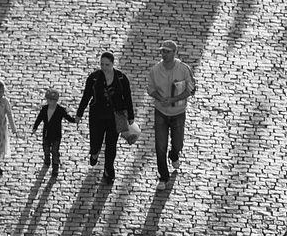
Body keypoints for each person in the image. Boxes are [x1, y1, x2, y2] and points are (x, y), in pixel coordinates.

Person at [75, 51, 135, 184]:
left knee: (111, 144)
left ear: (113, 64)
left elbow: (127, 97)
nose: (104, 67)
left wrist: (131, 116)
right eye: (102, 64)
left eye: (107, 64)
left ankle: (109, 170)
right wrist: (79, 114)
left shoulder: (121, 78)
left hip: (115, 116)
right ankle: (95, 153)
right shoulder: (94, 78)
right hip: (97, 115)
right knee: (96, 140)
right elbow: (86, 97)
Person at [147, 40, 196, 190]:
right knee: (160, 146)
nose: (164, 54)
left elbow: (191, 89)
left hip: (178, 113)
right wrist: (161, 98)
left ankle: (174, 155)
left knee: (178, 143)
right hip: (161, 112)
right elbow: (150, 89)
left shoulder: (183, 69)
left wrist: (174, 99)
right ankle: (163, 177)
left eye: (167, 51)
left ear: (175, 53)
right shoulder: (155, 70)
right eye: (163, 51)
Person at [31, 87, 76, 177]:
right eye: (48, 100)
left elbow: (67, 117)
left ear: (56, 101)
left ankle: (55, 168)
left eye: (52, 100)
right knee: (46, 148)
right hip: (47, 134)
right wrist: (35, 127)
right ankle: (47, 159)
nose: (50, 102)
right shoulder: (44, 109)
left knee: (55, 151)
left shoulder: (60, 110)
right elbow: (39, 118)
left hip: (56, 135)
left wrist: (75, 120)